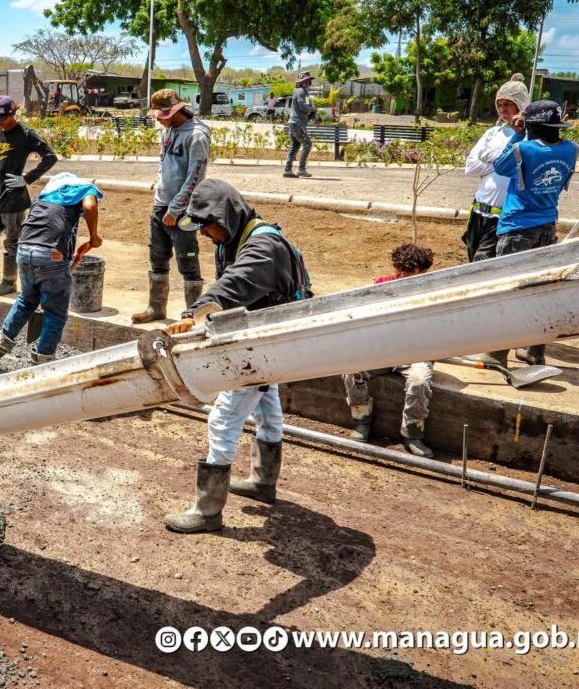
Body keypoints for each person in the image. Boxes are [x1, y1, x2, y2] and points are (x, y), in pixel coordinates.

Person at [162, 178, 312, 534]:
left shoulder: (262, 246)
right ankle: (263, 481)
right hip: (269, 338)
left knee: (223, 419)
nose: (203, 234)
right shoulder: (238, 237)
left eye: (206, 225)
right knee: (268, 406)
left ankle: (207, 510)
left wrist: (194, 312)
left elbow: (236, 282)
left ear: (224, 216)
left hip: (262, 345)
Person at [477, 100, 576, 367]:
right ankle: (534, 351)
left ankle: (496, 353)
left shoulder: (524, 148)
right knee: (539, 290)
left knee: (508, 292)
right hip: (548, 227)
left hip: (517, 227)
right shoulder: (570, 150)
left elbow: (500, 166)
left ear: (532, 125)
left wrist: (518, 133)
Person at [0, 173, 103, 370]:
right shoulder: (85, 188)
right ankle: (42, 365)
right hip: (50, 256)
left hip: (24, 250)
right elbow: (89, 206)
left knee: (25, 302)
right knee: (55, 313)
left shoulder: (46, 193)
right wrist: (94, 236)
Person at [342, 243, 436, 458]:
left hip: (416, 354)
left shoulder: (433, 291)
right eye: (398, 269)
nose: (402, 275)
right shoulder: (382, 285)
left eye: (409, 272)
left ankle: (412, 433)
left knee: (419, 381)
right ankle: (361, 420)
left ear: (422, 270)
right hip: (383, 351)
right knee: (352, 371)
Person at [131, 88, 210, 324]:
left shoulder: (197, 135)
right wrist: (159, 192)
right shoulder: (168, 132)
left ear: (174, 112)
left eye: (161, 115)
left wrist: (175, 209)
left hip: (182, 211)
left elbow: (195, 177)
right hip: (160, 205)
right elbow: (163, 164)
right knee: (157, 257)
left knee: (188, 261)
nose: (158, 120)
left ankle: (193, 315)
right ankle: (156, 307)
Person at [0, 95, 58, 297]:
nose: (0, 123)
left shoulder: (26, 134)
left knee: (13, 242)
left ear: (13, 114)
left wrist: (26, 179)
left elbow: (51, 157)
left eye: (3, 119)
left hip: (14, 200)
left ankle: (9, 282)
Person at [462, 73, 530, 261]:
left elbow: (521, 166)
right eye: (499, 105)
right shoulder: (492, 133)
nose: (502, 109)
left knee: (481, 266)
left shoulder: (528, 137)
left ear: (520, 105)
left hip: (502, 218)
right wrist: (501, 163)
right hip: (477, 212)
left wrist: (492, 159)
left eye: (507, 104)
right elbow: (470, 167)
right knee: (471, 260)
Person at [283, 71, 316, 178]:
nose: (308, 84)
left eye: (309, 82)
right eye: (306, 81)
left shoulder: (304, 93)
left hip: (295, 123)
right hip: (297, 123)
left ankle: (288, 170)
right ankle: (301, 169)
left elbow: (308, 109)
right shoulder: (300, 91)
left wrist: (315, 115)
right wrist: (313, 108)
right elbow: (303, 107)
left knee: (295, 146)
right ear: (301, 82)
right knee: (307, 144)